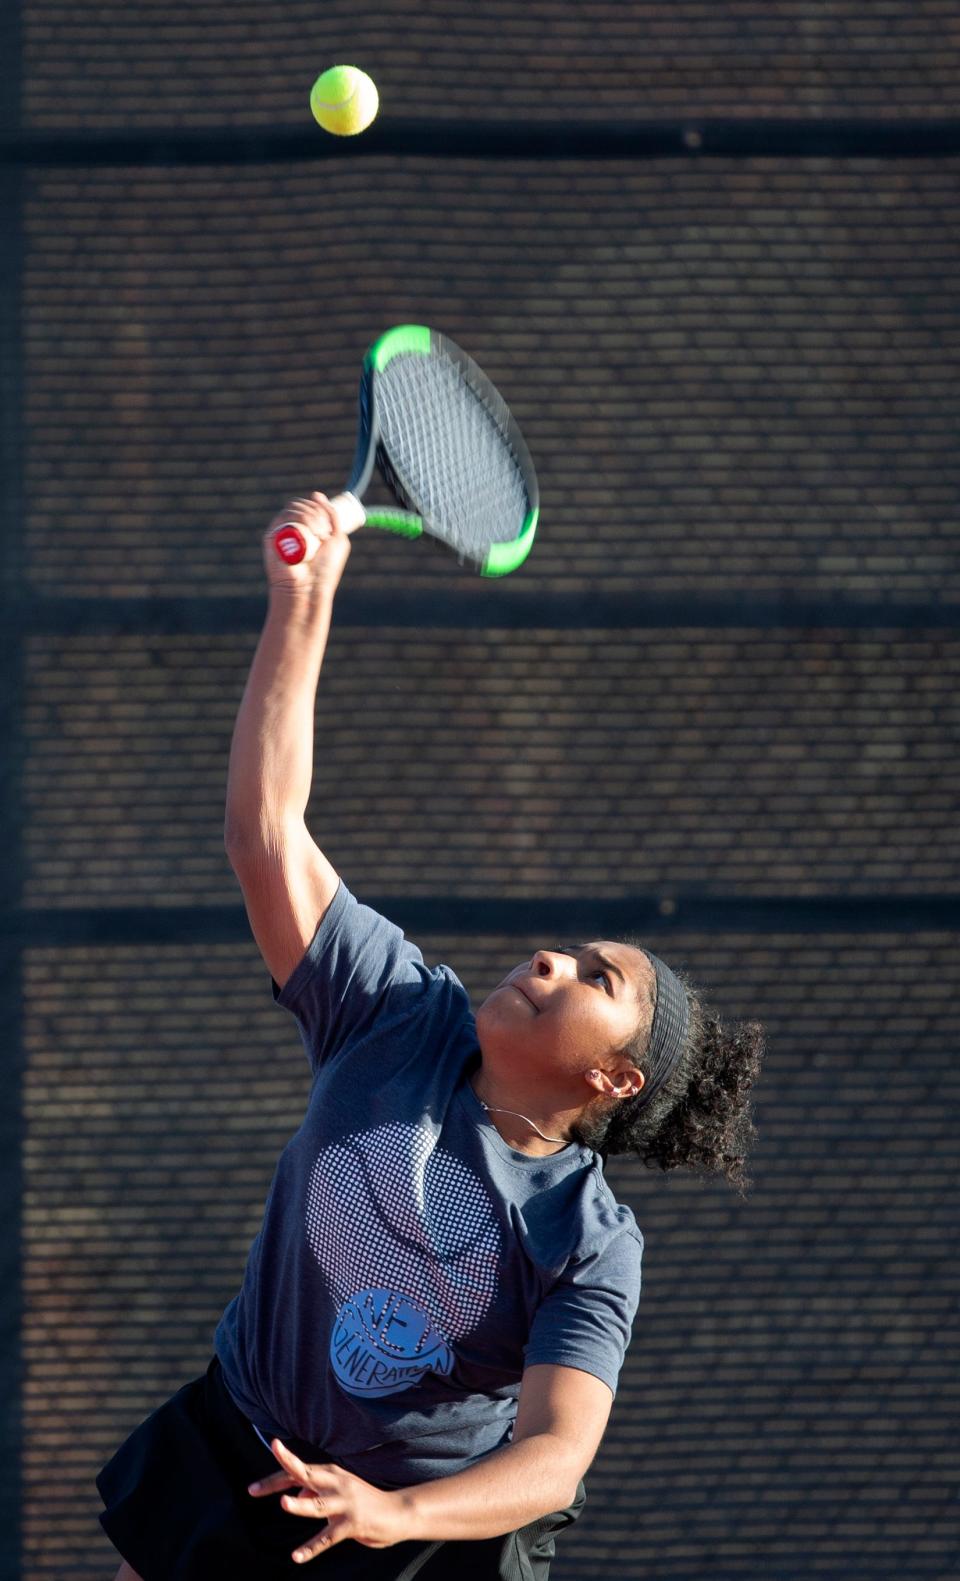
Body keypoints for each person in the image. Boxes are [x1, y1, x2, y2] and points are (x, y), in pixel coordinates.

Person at [97, 494, 764, 1580]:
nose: (549, 960)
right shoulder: (400, 1014)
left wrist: (392, 1516)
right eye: (565, 949)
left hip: (414, 1538)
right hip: (241, 1444)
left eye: (595, 978)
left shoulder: (588, 1242)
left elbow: (553, 1455)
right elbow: (266, 835)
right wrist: (302, 598)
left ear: (613, 1074)